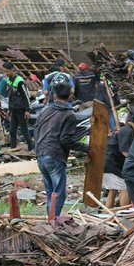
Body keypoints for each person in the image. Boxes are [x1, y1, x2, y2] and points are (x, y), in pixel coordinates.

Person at [35, 82, 90, 217]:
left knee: (50, 192)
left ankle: (51, 221)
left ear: (54, 95)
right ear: (70, 96)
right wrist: (86, 148)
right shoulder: (68, 114)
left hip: (41, 154)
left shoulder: (44, 110)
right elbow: (65, 140)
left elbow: (36, 131)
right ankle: (54, 223)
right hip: (54, 155)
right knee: (59, 193)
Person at [103, 110, 134, 208]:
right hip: (112, 164)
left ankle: (109, 212)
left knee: (113, 190)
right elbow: (124, 151)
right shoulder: (128, 131)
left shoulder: (124, 129)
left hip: (107, 163)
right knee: (126, 186)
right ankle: (124, 213)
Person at [2, 62, 33, 150]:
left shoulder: (19, 80)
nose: (6, 73)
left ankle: (31, 148)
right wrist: (9, 108)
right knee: (12, 131)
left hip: (21, 109)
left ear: (12, 70)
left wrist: (28, 110)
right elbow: (10, 96)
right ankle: (13, 148)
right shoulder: (8, 80)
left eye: (7, 71)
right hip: (13, 109)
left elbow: (26, 95)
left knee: (24, 130)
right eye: (4, 71)